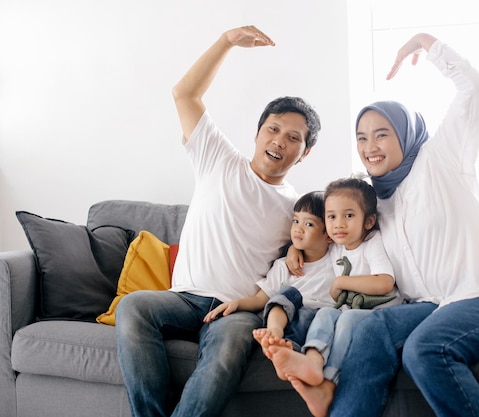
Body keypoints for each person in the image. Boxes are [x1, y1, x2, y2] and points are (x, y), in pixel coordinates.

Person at [288, 33, 479, 417]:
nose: (369, 146)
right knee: (367, 328)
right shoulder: (373, 203)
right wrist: (295, 247)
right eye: (361, 138)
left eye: (382, 134)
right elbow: (336, 236)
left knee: (426, 349)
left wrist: (427, 43)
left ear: (405, 134)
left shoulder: (440, 161)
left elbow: (475, 89)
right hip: (434, 305)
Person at [114, 25, 321, 417]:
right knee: (133, 308)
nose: (279, 141)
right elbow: (184, 94)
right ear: (259, 132)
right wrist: (227, 42)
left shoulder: (298, 207)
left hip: (237, 309)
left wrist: (296, 249)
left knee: (227, 351)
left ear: (304, 153)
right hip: (183, 298)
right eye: (273, 129)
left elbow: (316, 251)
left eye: (293, 138)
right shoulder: (218, 159)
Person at [269, 177, 398, 415]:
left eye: (348, 216)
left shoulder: (372, 242)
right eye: (331, 217)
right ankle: (312, 361)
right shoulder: (336, 244)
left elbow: (385, 282)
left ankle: (329, 383)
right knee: (327, 312)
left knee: (345, 318)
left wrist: (341, 281)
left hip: (382, 312)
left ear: (368, 221)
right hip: (352, 311)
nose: (338, 225)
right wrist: (293, 248)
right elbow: (310, 240)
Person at [203, 191, 336, 355]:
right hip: (290, 320)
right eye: (295, 221)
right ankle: (274, 333)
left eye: (309, 224)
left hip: (321, 321)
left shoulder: (340, 258)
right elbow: (261, 299)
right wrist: (237, 303)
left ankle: (292, 352)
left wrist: (293, 248)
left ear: (330, 234)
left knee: (324, 314)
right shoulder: (283, 266)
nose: (298, 229)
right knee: (286, 295)